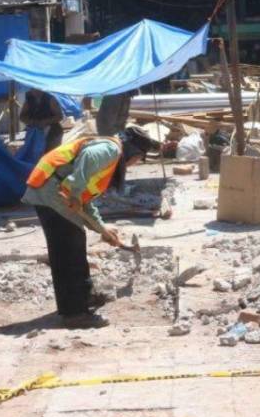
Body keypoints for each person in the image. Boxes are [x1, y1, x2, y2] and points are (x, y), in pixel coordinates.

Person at [22, 126, 158, 329]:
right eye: (139, 159)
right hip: (51, 192)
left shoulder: (109, 155)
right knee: (69, 251)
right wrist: (75, 192)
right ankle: (74, 313)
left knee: (73, 245)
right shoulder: (110, 150)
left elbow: (85, 202)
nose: (134, 164)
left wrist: (102, 229)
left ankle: (84, 297)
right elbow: (87, 159)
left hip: (53, 192)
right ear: (134, 152)